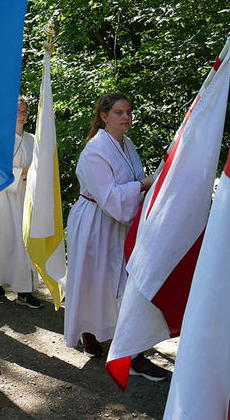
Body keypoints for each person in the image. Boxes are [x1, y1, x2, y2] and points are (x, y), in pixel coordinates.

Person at [63, 93, 169, 381]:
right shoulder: (95, 150)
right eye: (120, 112)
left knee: (122, 283)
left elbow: (132, 182)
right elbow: (110, 197)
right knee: (95, 280)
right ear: (104, 116)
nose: (126, 117)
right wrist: (144, 184)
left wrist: (149, 182)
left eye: (129, 112)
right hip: (96, 221)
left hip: (117, 222)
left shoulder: (127, 144)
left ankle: (129, 350)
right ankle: (99, 337)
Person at [0, 96, 41, 308]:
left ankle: (24, 288)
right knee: (4, 239)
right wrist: (24, 171)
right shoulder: (1, 138)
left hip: (25, 196)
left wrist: (30, 174)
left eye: (25, 111)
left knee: (23, 242)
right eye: (18, 111)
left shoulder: (31, 139)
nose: (22, 115)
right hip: (4, 197)